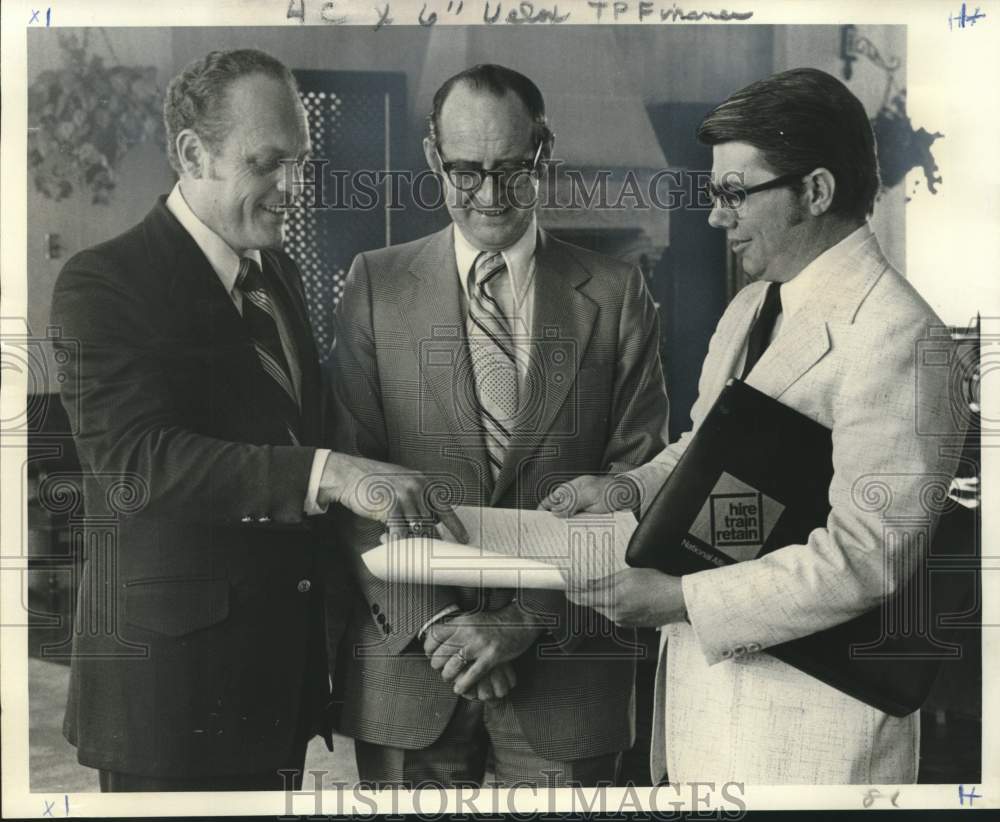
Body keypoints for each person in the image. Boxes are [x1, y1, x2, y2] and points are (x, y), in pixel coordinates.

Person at [51, 48, 464, 792]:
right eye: (267, 163)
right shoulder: (103, 281)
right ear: (190, 153)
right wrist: (329, 473)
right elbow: (134, 465)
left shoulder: (276, 275)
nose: (293, 188)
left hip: (273, 686)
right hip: (169, 697)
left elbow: (292, 429)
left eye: (299, 162)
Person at [542, 68, 961, 784]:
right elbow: (705, 451)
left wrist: (682, 599)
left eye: (736, 193)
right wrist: (626, 493)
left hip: (814, 738)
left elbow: (866, 557)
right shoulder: (752, 308)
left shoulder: (901, 338)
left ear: (817, 191)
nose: (715, 217)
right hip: (714, 720)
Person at [330, 64, 668, 787]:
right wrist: (441, 625)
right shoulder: (374, 285)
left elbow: (635, 486)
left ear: (543, 156)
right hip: (413, 668)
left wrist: (520, 623)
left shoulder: (615, 294)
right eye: (466, 170)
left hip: (569, 671)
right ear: (432, 157)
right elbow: (350, 481)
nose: (489, 194)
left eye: (512, 168)